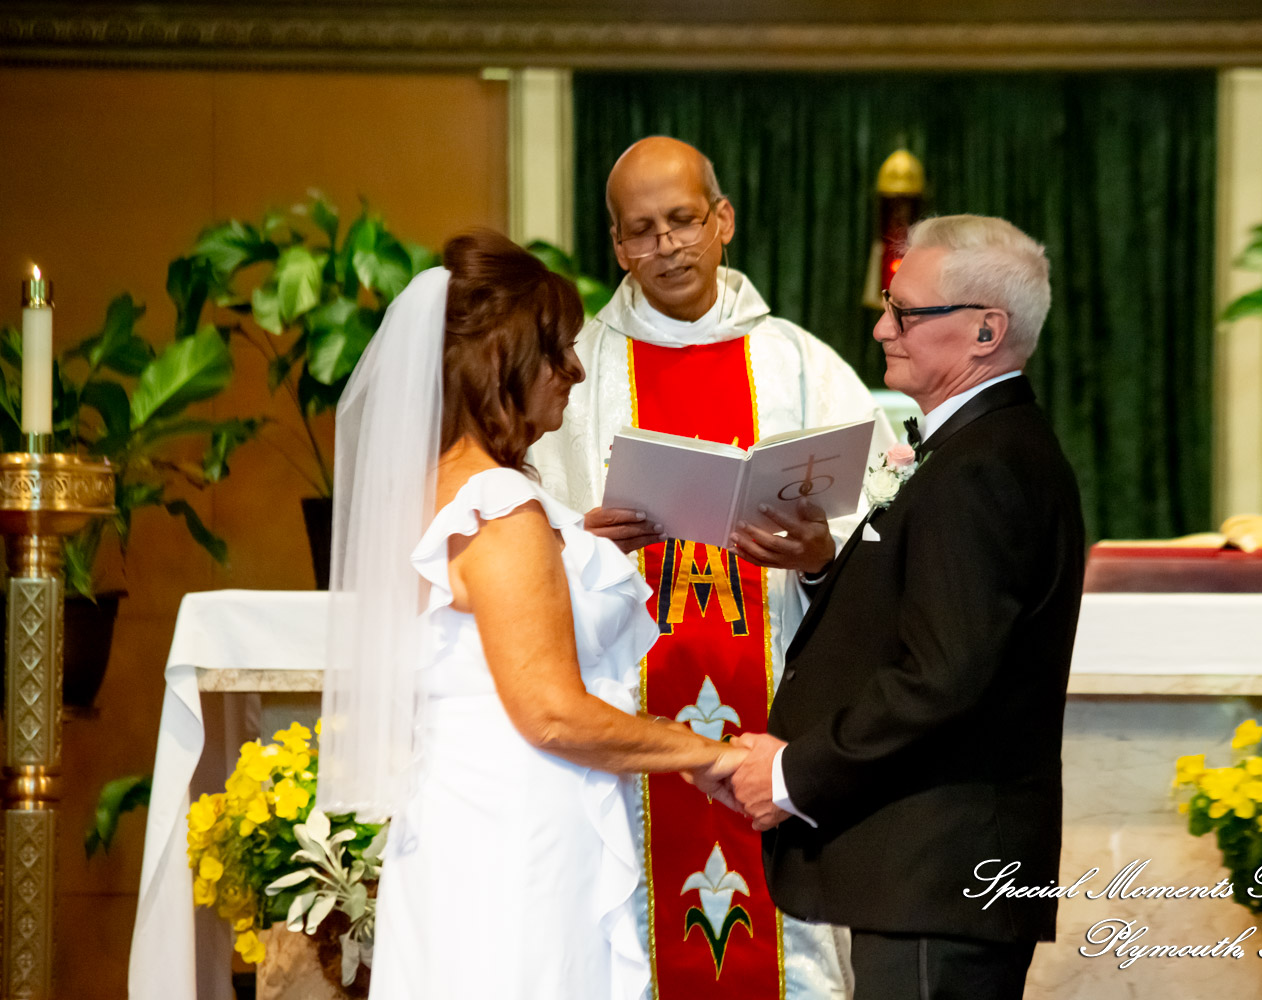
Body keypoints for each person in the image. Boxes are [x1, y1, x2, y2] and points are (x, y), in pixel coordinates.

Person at [317, 228, 745, 1000]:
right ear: (500, 360)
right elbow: (550, 712)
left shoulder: (431, 489)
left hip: (461, 814)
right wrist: (704, 752)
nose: (575, 372)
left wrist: (572, 537)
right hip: (519, 827)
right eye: (557, 351)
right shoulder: (501, 509)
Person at [529, 136, 894, 999]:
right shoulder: (574, 379)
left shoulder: (803, 366)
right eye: (642, 230)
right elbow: (523, 549)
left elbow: (883, 532)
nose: (668, 247)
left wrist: (819, 558)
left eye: (684, 221)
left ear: (722, 220)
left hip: (776, 720)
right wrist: (582, 547)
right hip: (626, 720)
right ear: (617, 246)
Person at [728, 214, 1087, 1000]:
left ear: (986, 331)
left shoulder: (981, 468)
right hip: (929, 873)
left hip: (940, 869)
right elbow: (935, 620)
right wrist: (825, 566)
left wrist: (792, 772)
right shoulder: (978, 451)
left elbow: (942, 677)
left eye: (907, 311)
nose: (882, 326)